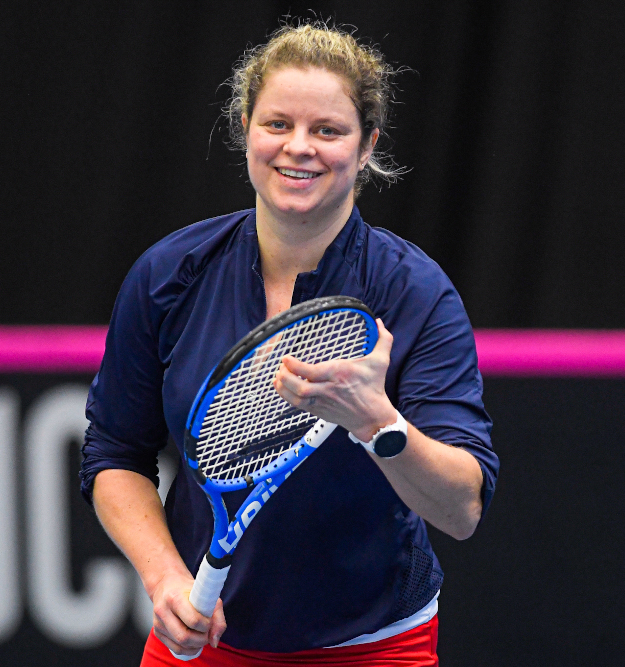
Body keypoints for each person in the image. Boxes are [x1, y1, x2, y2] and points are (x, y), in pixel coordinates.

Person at [80, 22, 498, 666]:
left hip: (376, 645)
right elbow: (113, 452)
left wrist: (376, 422)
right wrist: (164, 577)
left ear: (367, 148)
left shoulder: (415, 292)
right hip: (201, 638)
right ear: (245, 128)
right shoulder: (168, 274)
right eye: (277, 124)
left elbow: (463, 507)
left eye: (328, 131)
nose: (298, 148)